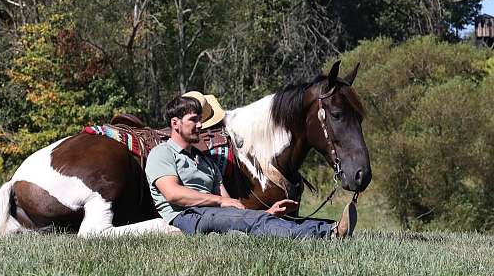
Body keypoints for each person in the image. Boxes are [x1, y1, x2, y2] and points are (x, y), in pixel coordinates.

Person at [145, 92, 356, 238]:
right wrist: (219, 202)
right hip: (187, 216)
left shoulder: (207, 161)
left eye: (200, 119)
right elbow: (173, 194)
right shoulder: (162, 153)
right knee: (251, 223)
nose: (200, 125)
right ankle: (327, 234)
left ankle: (333, 227)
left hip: (214, 214)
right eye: (193, 120)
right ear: (175, 123)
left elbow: (231, 204)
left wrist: (265, 212)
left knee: (261, 220)